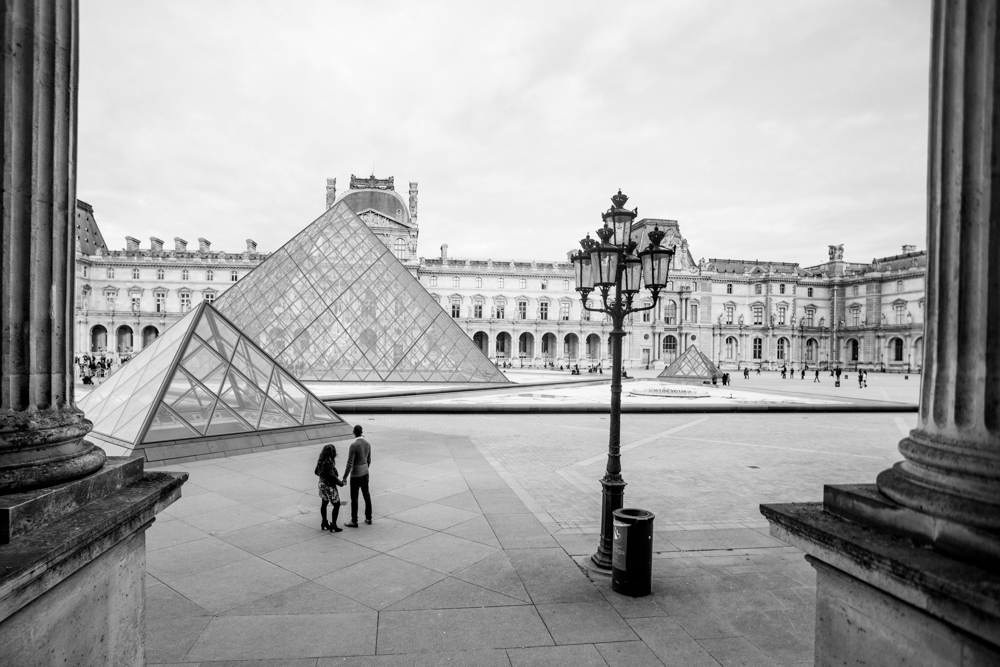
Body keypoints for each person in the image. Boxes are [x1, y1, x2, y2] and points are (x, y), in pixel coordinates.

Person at [343, 424, 373, 527]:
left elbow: (349, 463)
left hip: (355, 475)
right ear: (362, 432)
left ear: (354, 432)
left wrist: (344, 477)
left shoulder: (353, 446)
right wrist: (365, 468)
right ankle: (368, 518)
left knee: (354, 498)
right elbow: (369, 460)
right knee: (366, 495)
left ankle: (354, 520)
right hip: (365, 473)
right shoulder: (368, 444)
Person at [314, 444, 345, 532]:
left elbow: (316, 471)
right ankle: (333, 525)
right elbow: (332, 478)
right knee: (337, 504)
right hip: (329, 486)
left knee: (324, 502)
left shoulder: (321, 460)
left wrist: (323, 475)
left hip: (321, 484)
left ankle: (324, 522)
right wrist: (341, 483)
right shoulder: (328, 463)